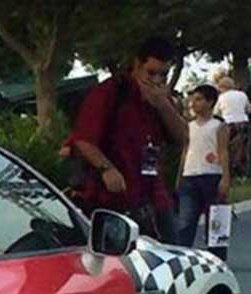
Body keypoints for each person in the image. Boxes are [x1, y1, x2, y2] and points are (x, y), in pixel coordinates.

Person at [69, 37, 188, 243]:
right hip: (113, 199)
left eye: (163, 74)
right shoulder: (110, 93)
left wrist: (163, 105)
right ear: (137, 65)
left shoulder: (161, 99)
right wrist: (106, 168)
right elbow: (84, 139)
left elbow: (182, 136)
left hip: (153, 195)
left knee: (169, 250)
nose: (156, 80)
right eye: (151, 72)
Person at [175, 84, 230, 250]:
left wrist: (225, 178)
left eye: (199, 99)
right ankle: (183, 253)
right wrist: (180, 176)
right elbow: (185, 151)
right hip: (190, 176)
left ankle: (217, 255)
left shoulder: (218, 126)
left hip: (211, 175)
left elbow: (223, 151)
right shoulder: (188, 126)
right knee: (186, 221)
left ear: (210, 102)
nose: (193, 103)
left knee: (215, 221)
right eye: (193, 100)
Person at [212, 74, 250, 177]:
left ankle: (229, 171)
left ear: (222, 87)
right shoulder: (242, 94)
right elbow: (248, 109)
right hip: (243, 123)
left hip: (229, 123)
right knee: (242, 148)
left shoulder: (222, 97)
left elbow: (216, 113)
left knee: (227, 148)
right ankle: (242, 172)